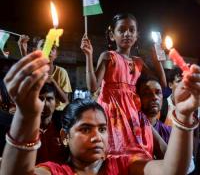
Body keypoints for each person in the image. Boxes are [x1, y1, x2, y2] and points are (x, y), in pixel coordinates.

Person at [1, 50, 200, 175]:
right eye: (86, 129)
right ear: (64, 136)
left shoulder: (123, 166)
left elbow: (172, 169)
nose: (97, 137)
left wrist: (183, 115)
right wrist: (26, 117)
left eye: (103, 129)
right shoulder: (56, 171)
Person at [80, 13, 167, 158]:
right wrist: (89, 56)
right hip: (112, 112)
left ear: (137, 35)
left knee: (144, 151)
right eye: (122, 30)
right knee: (115, 154)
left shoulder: (138, 62)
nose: (127, 33)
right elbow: (93, 86)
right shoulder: (108, 56)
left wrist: (156, 59)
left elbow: (162, 84)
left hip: (133, 112)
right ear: (112, 35)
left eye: (132, 30)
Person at [36, 82, 64, 164]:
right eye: (40, 99)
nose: (45, 104)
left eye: (49, 99)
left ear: (56, 102)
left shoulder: (64, 126)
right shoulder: (24, 129)